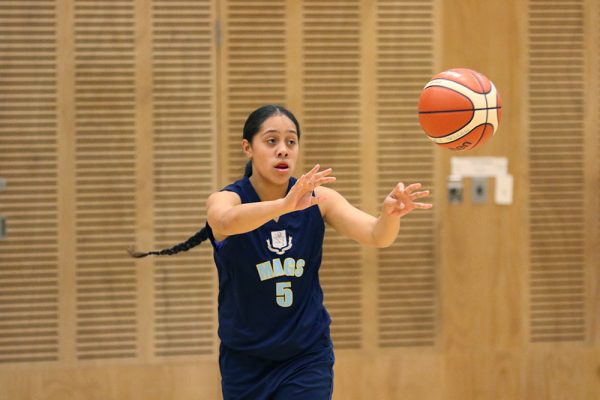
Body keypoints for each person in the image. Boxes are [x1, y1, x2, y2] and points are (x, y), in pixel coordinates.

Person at [129, 104, 432, 400]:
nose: (283, 150)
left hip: (306, 355)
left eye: (291, 141)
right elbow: (222, 221)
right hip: (245, 361)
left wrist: (390, 215)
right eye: (271, 141)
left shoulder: (320, 199)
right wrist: (283, 206)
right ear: (247, 148)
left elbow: (376, 236)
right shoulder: (226, 200)